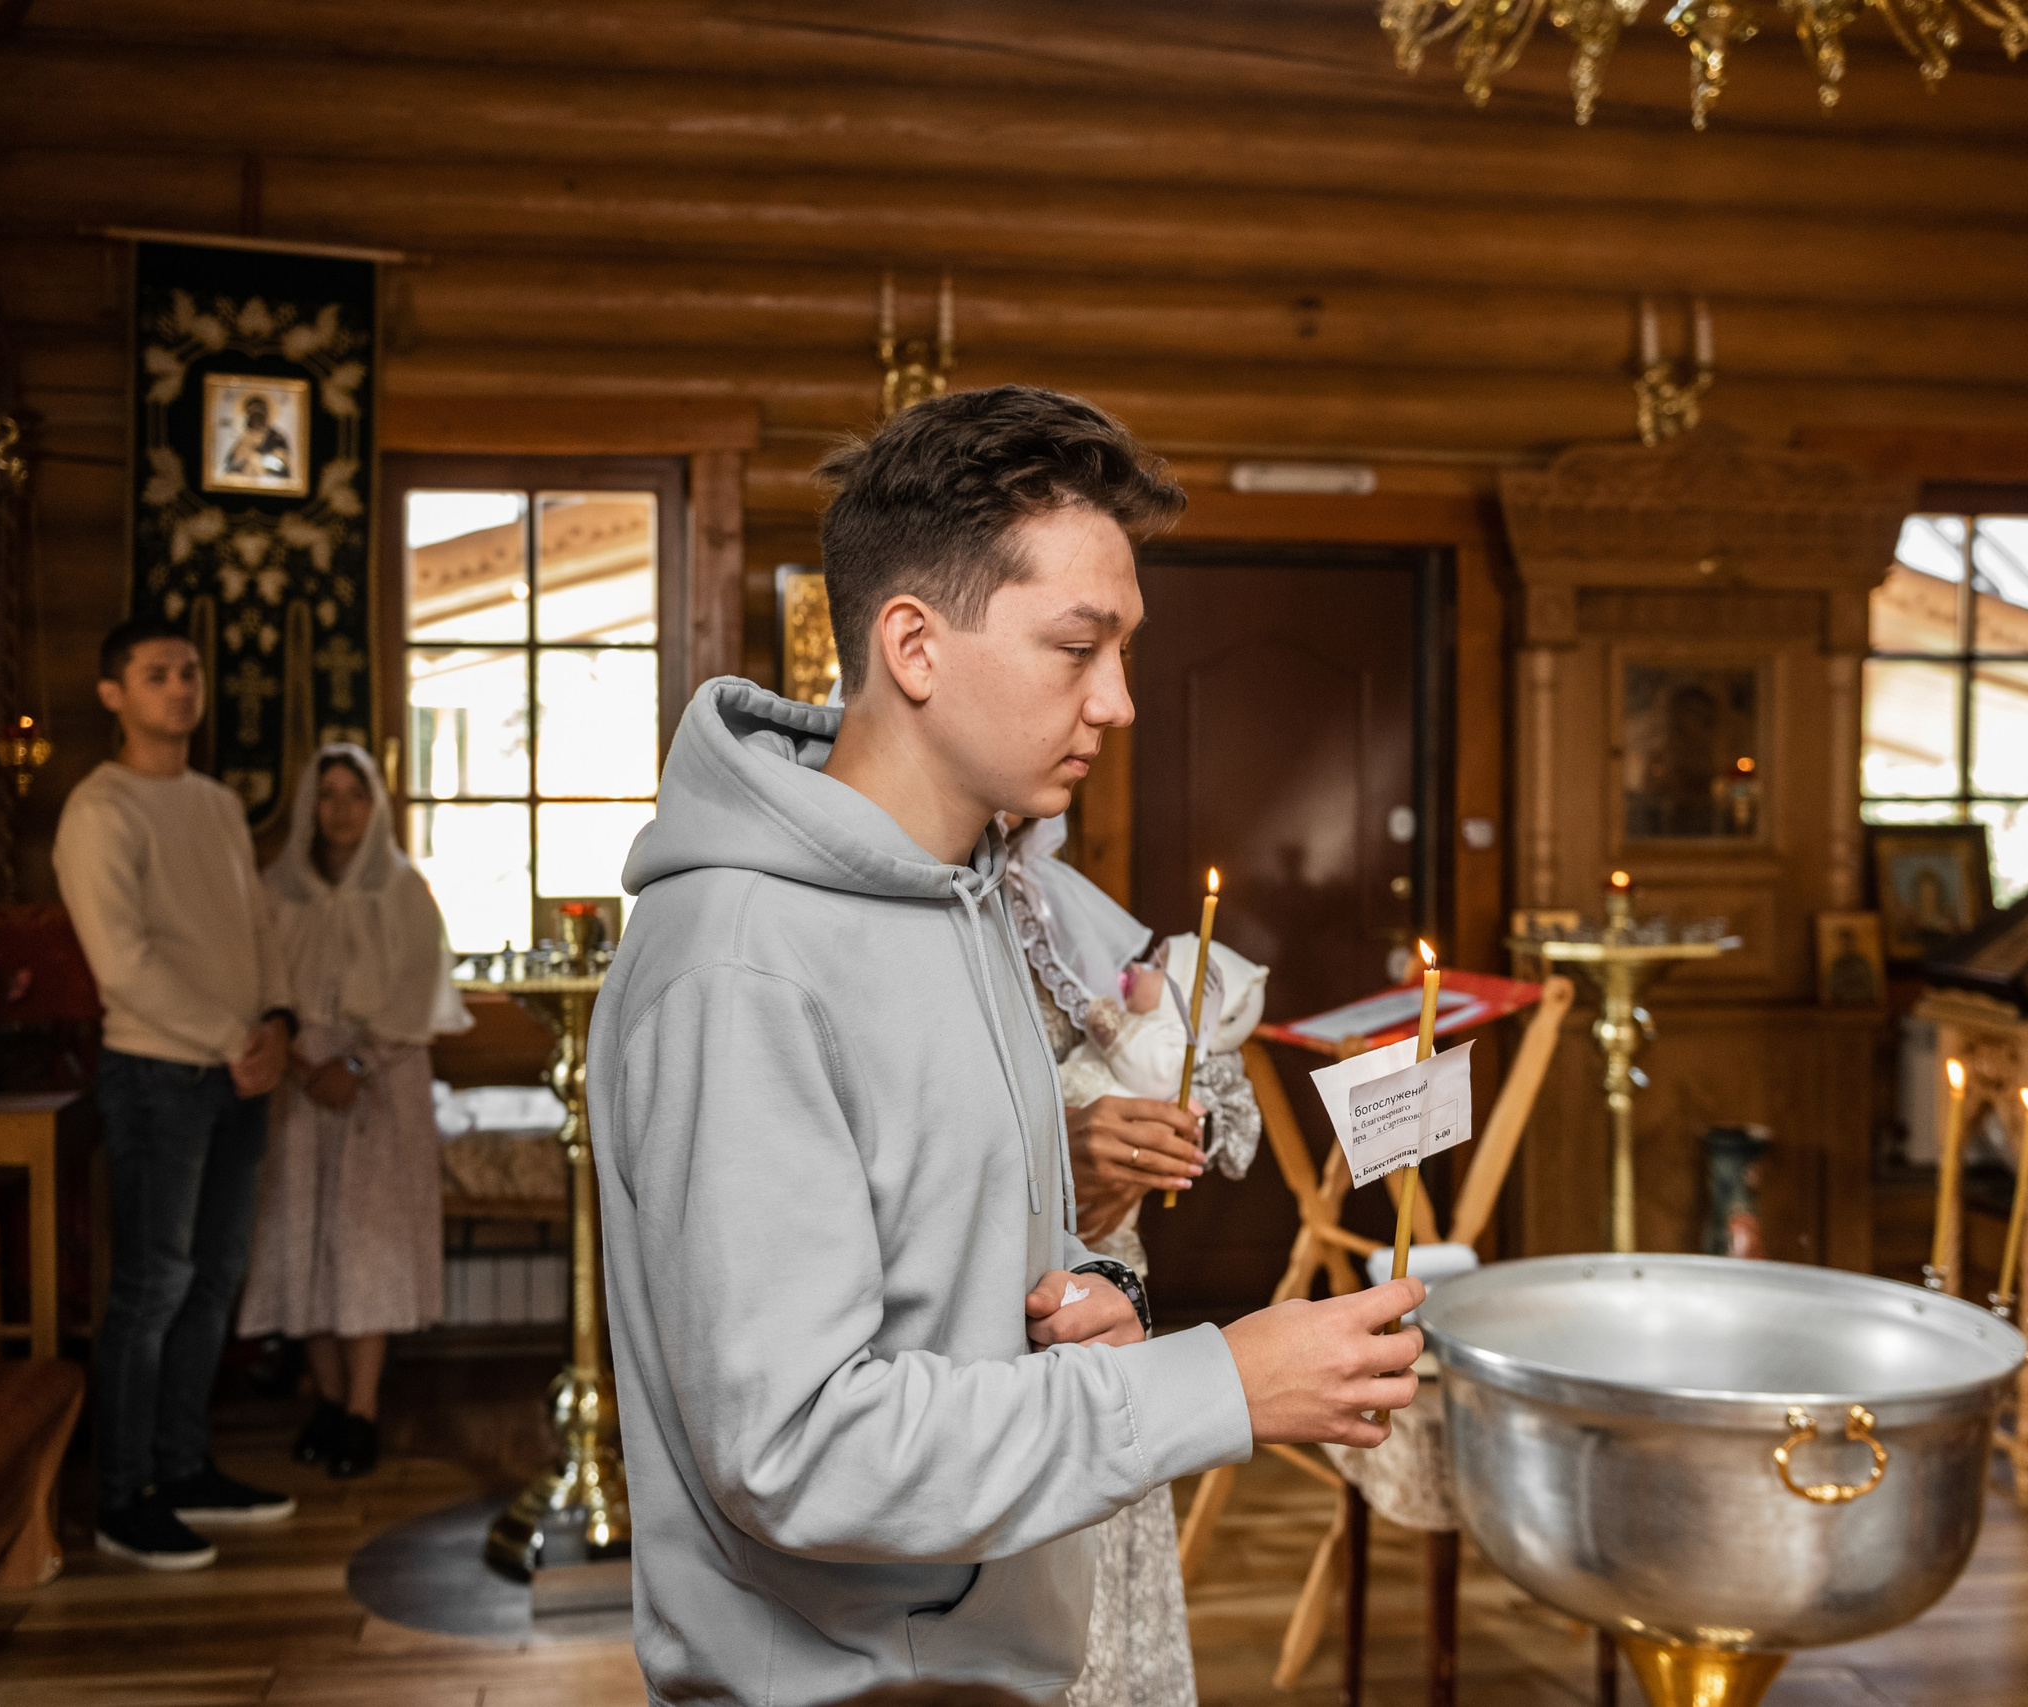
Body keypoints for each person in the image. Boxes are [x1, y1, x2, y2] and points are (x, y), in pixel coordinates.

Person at [589, 385, 1423, 1704]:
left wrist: (1084, 1293)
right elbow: (796, 1448)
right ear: (913, 645)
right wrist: (1215, 1383)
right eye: (1077, 648)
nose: (1120, 701)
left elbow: (951, 1253)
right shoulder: (739, 961)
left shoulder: (968, 895)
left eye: (1124, 651)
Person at [1001, 813, 1266, 1707]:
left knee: (1106, 1589)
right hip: (1000, 1306)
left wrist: (1161, 1138)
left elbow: (1213, 1088)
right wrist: (1055, 1155)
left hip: (1108, 1282)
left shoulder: (1056, 904)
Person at [55, 620, 300, 1570]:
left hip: (240, 1069)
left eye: (189, 671)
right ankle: (125, 1497)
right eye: (156, 673)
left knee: (213, 1276)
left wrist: (277, 1021)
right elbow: (123, 963)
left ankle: (184, 1465)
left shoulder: (217, 802)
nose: (180, 686)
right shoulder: (99, 809)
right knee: (152, 1283)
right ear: (113, 694)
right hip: (159, 1073)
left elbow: (258, 927)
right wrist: (236, 1039)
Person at [238, 745, 471, 1479]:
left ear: (376, 806)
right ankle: (330, 1402)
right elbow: (257, 984)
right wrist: (301, 1063)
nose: (340, 809)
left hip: (380, 1081)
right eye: (328, 793)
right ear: (310, 805)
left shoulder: (404, 890)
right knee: (302, 1236)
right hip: (299, 1079)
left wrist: (357, 1064)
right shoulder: (276, 890)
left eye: (355, 794)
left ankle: (363, 1407)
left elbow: (417, 992)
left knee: (365, 1247)